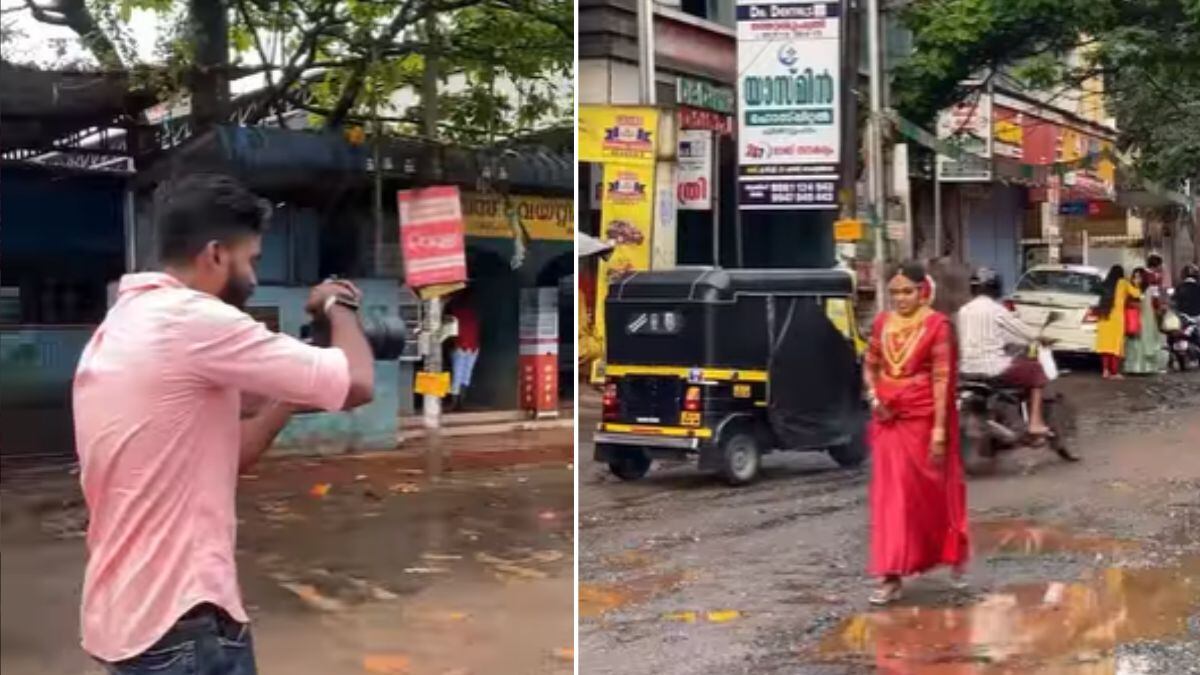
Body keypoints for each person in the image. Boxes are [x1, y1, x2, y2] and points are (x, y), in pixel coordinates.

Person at [73, 174, 375, 674]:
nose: (253, 277)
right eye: (251, 260)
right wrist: (337, 306)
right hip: (179, 627)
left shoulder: (129, 320)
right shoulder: (192, 320)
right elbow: (358, 383)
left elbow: (230, 455)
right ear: (215, 255)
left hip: (135, 621)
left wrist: (288, 393)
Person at [863, 262, 970, 605]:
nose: (901, 298)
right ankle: (890, 574)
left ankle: (944, 554)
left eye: (907, 291)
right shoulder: (882, 323)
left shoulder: (937, 326)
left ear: (923, 290)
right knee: (890, 498)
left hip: (923, 421)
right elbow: (870, 364)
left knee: (924, 496)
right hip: (888, 421)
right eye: (895, 292)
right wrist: (874, 396)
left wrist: (939, 429)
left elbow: (942, 378)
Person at [957, 267, 1050, 436]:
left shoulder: (964, 311)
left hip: (966, 371)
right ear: (995, 288)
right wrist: (1041, 337)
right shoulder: (995, 309)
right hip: (992, 369)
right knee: (1036, 370)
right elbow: (1023, 331)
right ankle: (1035, 423)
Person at [1095, 264, 1140, 379]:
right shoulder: (1123, 283)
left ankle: (1105, 371)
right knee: (1115, 346)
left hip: (1104, 318)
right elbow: (1136, 294)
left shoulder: (1105, 283)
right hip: (1117, 319)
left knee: (1105, 347)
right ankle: (1114, 372)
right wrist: (1137, 282)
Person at [1123, 267, 1169, 375]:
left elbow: (1157, 304)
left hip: (1148, 320)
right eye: (1134, 277)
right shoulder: (1131, 289)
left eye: (1139, 277)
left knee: (1147, 342)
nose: (1136, 279)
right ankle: (1134, 367)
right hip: (1134, 319)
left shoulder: (1151, 290)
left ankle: (1147, 367)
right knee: (1134, 343)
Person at [446, 288, 480, 410]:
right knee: (462, 375)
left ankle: (458, 403)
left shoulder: (463, 312)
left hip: (468, 347)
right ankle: (458, 403)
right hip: (466, 346)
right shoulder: (460, 312)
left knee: (461, 375)